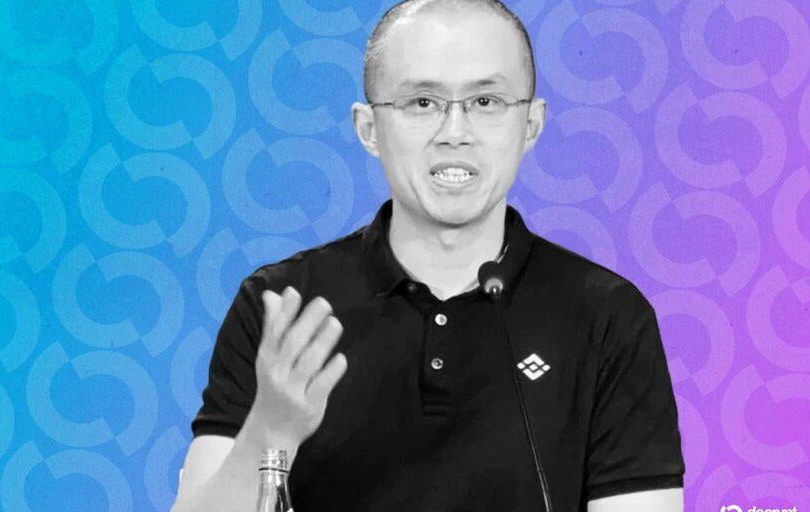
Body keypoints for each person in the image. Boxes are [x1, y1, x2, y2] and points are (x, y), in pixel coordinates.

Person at [171, 0, 686, 510]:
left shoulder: (607, 315)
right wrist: (271, 429)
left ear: (531, 124)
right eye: (422, 103)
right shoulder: (284, 305)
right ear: (368, 128)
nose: (455, 133)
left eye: (486, 101)